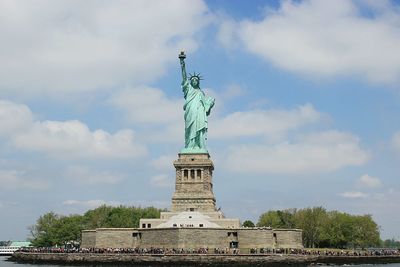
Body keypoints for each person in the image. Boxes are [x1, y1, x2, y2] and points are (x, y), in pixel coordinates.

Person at [179, 51, 215, 153]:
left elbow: (206, 106)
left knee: (199, 128)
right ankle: (190, 145)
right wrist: (182, 63)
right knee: (190, 128)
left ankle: (198, 145)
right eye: (193, 80)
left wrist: (210, 104)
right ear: (190, 82)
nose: (194, 81)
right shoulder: (188, 89)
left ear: (198, 82)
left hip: (199, 113)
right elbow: (184, 76)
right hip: (190, 111)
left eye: (196, 80)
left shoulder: (200, 93)